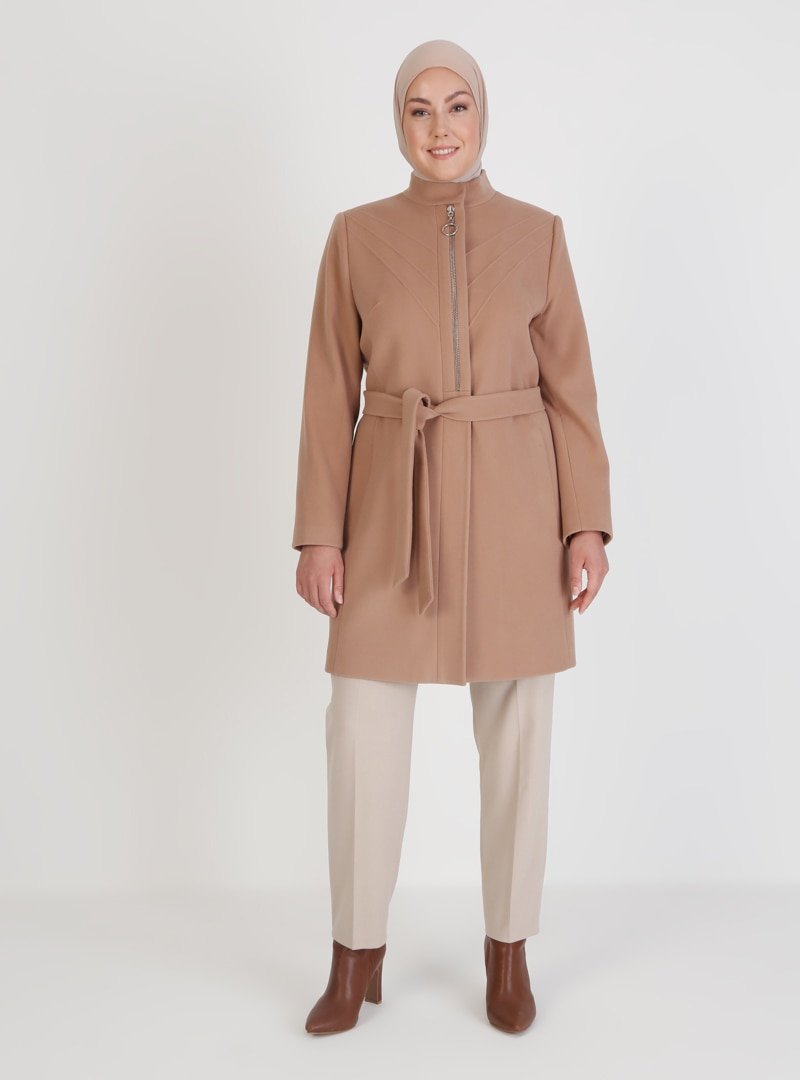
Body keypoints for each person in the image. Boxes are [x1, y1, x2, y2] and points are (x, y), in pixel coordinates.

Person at [292, 39, 613, 1035]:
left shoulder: (538, 236)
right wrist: (319, 534)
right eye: (419, 109)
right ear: (399, 123)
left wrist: (584, 522)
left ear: (482, 115)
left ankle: (508, 951)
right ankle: (355, 954)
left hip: (515, 506)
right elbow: (327, 392)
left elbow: (571, 393)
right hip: (392, 509)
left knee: (519, 735)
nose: (440, 127)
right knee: (360, 729)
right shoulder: (354, 237)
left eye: (457, 105)